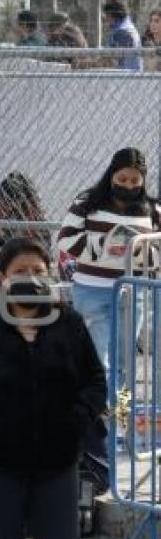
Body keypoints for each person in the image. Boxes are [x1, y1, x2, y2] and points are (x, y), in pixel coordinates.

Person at [0, 237, 107, 539]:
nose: (30, 277)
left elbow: (95, 382)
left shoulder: (69, 324)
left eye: (38, 270)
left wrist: (73, 420)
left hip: (58, 464)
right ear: (2, 277)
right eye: (20, 270)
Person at [58, 147, 160, 375]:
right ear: (111, 175)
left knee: (125, 360)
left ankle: (121, 408)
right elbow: (65, 240)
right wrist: (104, 245)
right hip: (93, 290)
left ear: (143, 180)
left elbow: (158, 250)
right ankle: (100, 407)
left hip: (133, 290)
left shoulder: (153, 209)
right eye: (122, 179)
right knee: (97, 355)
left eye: (135, 180)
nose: (128, 185)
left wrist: (136, 250)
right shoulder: (87, 202)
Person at [0, 172, 49, 248]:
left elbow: (43, 244)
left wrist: (30, 215)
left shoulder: (32, 208)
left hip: (31, 250)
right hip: (5, 249)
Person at [102, 0, 142, 71]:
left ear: (115, 15)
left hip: (125, 76)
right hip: (128, 75)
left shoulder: (122, 32)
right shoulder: (127, 26)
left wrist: (91, 63)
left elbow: (111, 61)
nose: (106, 18)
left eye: (107, 14)